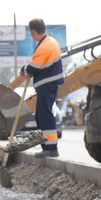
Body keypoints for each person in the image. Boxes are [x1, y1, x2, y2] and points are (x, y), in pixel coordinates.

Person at [20, 18, 63, 158]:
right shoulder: (51, 41)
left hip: (46, 84)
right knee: (41, 115)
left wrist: (24, 69)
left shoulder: (44, 46)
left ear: (33, 32)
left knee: (45, 115)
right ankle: (47, 147)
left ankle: (51, 148)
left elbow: (33, 67)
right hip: (48, 84)